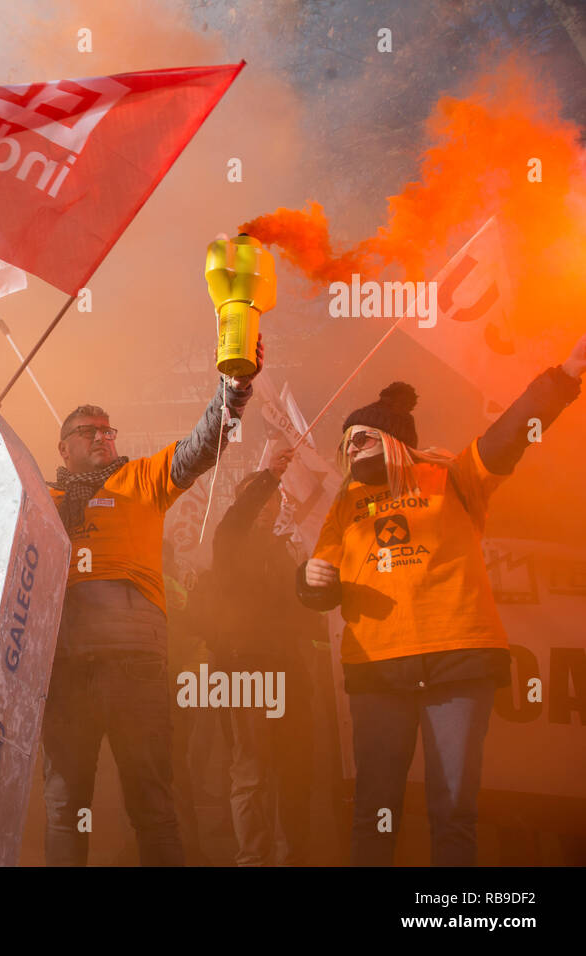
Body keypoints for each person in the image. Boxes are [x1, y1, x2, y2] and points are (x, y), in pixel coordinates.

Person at [297, 334, 586, 866]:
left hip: (458, 665)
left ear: (393, 440)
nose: (351, 447)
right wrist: (312, 579)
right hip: (378, 672)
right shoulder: (345, 504)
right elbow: (324, 584)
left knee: (452, 810)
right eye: (347, 441)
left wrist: (563, 379)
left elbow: (510, 435)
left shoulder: (455, 476)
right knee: (375, 807)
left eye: (362, 437)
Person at [42, 336, 264, 866]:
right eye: (88, 431)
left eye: (107, 430)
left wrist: (233, 393)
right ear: (63, 449)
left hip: (134, 664)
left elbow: (201, 447)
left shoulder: (140, 477)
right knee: (64, 806)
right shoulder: (38, 500)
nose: (102, 437)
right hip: (63, 671)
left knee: (151, 802)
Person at [205, 448, 318, 865]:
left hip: (290, 671)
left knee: (295, 772)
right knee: (251, 773)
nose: (271, 505)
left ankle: (295, 857)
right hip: (243, 669)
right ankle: (254, 860)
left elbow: (306, 612)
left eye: (275, 499)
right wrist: (269, 475)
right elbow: (238, 516)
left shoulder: (286, 551)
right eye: (263, 497)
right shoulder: (228, 539)